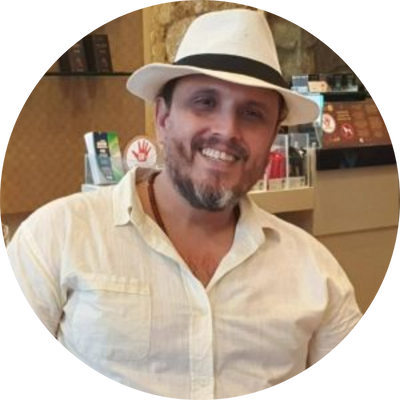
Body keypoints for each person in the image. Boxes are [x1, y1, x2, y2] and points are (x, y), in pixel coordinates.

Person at [5, 8, 364, 399]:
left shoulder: (315, 271)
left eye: (252, 114)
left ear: (273, 135)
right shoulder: (56, 236)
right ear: (163, 118)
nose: (227, 131)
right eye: (205, 102)